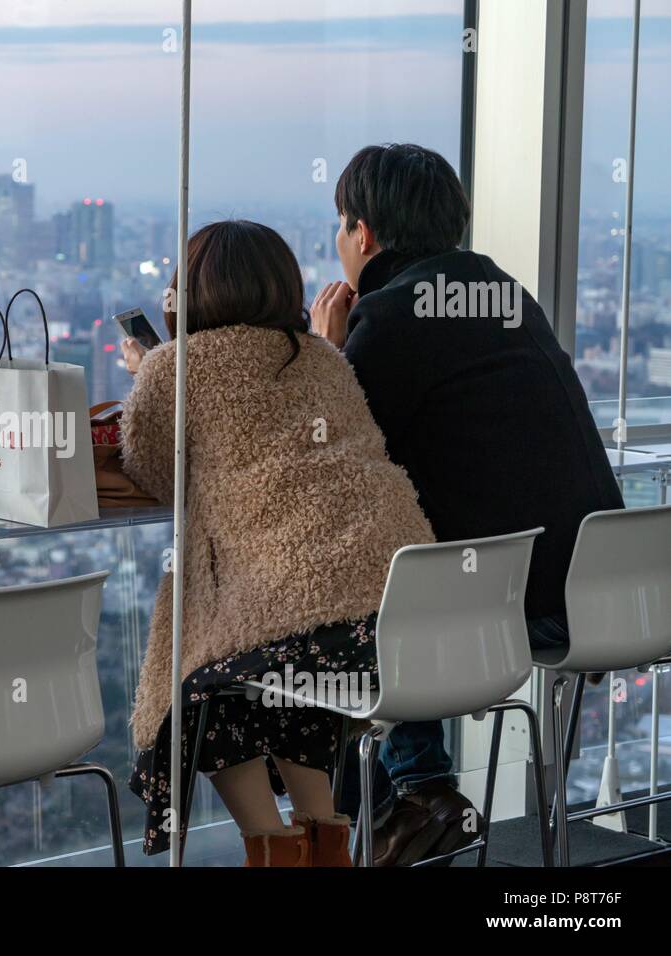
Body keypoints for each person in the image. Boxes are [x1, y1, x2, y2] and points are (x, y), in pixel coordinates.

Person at [309, 143, 625, 866]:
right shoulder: (506, 294)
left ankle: (410, 800)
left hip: (505, 604)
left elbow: (332, 464)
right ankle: (401, 807)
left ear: (364, 235)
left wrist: (329, 355)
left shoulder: (387, 318)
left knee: (331, 605)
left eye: (340, 226)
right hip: (601, 587)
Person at [119, 219, 434, 866]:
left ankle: (273, 849)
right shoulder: (321, 355)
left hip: (326, 632)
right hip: (407, 619)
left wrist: (146, 374)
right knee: (278, 672)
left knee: (201, 692)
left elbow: (155, 472)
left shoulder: (174, 369)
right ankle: (321, 837)